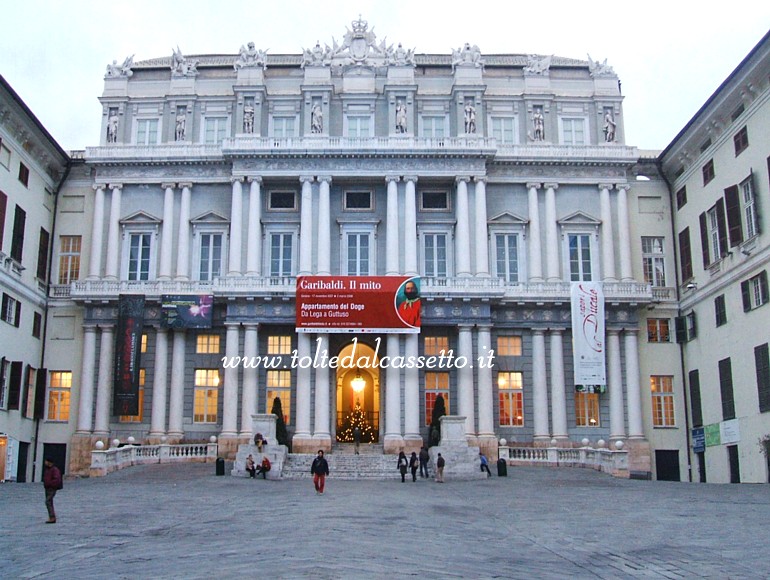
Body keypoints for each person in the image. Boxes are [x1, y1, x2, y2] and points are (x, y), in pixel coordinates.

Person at [43, 459, 62, 524]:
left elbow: (57, 479)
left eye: (46, 461)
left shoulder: (54, 470)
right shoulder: (48, 469)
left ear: (49, 462)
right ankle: (51, 517)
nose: (45, 463)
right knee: (49, 502)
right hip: (47, 488)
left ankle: (52, 517)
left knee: (48, 501)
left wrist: (50, 484)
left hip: (52, 488)